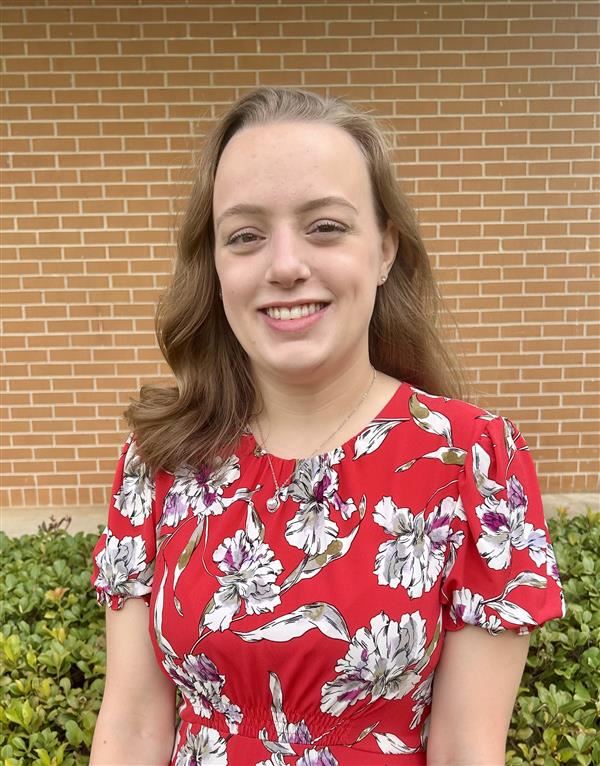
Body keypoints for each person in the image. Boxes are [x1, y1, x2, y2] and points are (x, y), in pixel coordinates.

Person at [89, 87, 565, 765]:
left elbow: (466, 748)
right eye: (245, 236)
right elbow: (133, 724)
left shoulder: (471, 461)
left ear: (385, 249)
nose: (286, 266)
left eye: (325, 227)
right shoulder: (159, 460)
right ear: (216, 266)